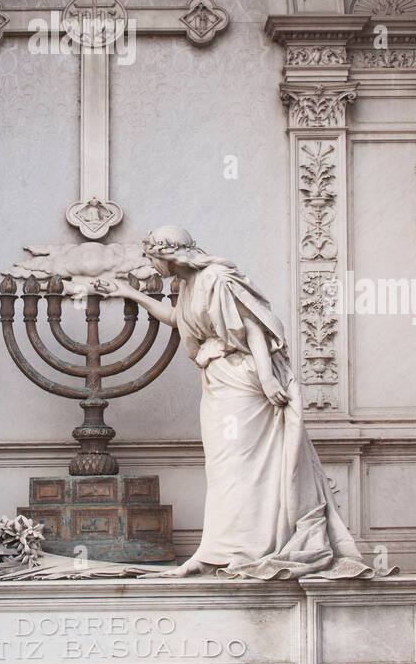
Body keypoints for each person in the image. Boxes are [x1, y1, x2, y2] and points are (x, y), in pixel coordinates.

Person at [100, 226, 371, 579]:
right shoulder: (188, 285)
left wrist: (268, 378)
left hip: (244, 380)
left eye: (153, 259)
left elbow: (252, 327)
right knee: (224, 469)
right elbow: (178, 320)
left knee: (247, 466)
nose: (153, 268)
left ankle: (253, 548)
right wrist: (129, 294)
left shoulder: (215, 277)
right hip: (217, 383)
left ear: (167, 255)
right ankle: (216, 551)